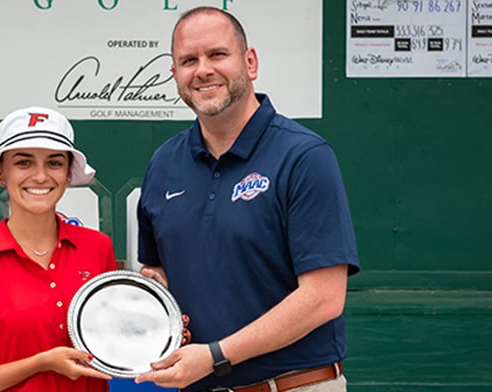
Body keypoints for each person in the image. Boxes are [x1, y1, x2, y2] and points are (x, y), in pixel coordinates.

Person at [135, 6, 360, 392]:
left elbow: (323, 298)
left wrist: (216, 356)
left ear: (250, 62)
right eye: (188, 60)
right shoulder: (164, 164)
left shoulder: (304, 157)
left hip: (292, 385)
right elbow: (159, 272)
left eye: (217, 55)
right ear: (175, 76)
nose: (203, 70)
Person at [0, 106, 116, 392]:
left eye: (55, 163)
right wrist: (41, 363)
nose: (41, 176)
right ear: (0, 172)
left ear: (69, 173)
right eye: (24, 163)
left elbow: (112, 338)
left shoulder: (97, 247)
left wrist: (158, 329)